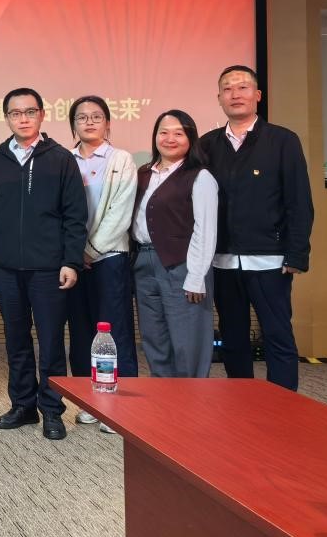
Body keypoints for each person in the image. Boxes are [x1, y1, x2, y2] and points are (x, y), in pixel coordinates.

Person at [0, 88, 86, 441]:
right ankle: (22, 405)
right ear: (6, 118)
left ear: (42, 114)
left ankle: (52, 411)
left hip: (48, 268)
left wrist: (71, 261)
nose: (23, 119)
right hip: (5, 267)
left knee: (52, 341)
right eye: (15, 113)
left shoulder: (61, 159)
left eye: (29, 112)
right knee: (16, 339)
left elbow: (75, 215)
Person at [200, 66, 314, 391]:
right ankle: (242, 405)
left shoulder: (282, 140)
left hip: (270, 261)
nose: (235, 94)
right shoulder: (207, 144)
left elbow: (299, 202)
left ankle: (282, 406)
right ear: (219, 98)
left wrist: (296, 254)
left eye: (243, 87)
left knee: (278, 336)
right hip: (223, 261)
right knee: (233, 339)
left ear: (258, 95)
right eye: (227, 89)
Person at [66, 95, 138, 434]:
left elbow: (120, 212)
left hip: (108, 258)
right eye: (82, 117)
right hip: (72, 262)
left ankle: (119, 405)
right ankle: (89, 402)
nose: (89, 122)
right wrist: (73, 254)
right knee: (81, 331)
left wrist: (90, 250)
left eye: (96, 116)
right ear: (73, 125)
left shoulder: (120, 159)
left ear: (108, 123)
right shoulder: (64, 160)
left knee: (114, 330)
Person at [132, 110, 219, 378]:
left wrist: (197, 276)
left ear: (191, 138)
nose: (170, 139)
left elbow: (205, 230)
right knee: (154, 340)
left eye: (178, 133)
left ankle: (192, 400)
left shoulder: (200, 176)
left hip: (182, 266)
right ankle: (164, 399)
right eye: (164, 132)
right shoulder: (144, 173)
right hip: (144, 263)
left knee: (187, 343)